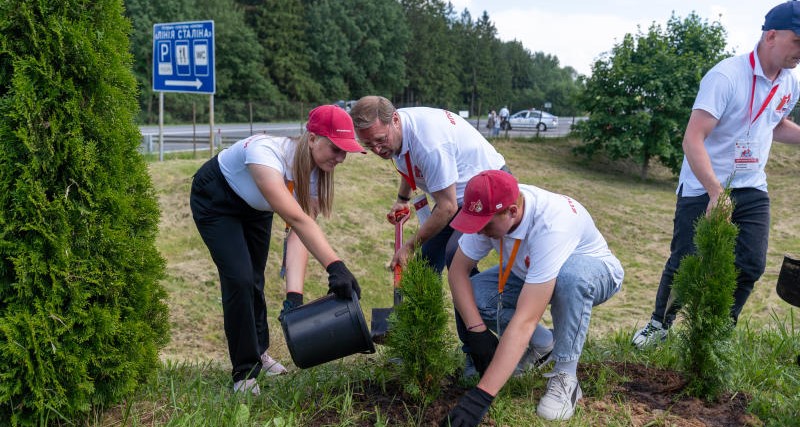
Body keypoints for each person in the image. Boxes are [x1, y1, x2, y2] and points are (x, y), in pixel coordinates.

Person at [632, 1, 800, 349]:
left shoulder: (789, 84)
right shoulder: (725, 76)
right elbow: (693, 138)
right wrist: (714, 192)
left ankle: (717, 330)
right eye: (798, 41)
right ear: (771, 36)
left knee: (751, 264)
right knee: (685, 260)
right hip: (703, 184)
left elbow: (774, 124)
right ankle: (658, 326)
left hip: (751, 185)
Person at [349, 96, 553, 377]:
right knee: (424, 266)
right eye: (368, 144)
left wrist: (409, 245)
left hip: (485, 194)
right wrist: (402, 198)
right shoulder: (396, 132)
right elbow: (408, 162)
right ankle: (418, 345)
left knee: (455, 257)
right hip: (456, 195)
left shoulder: (429, 142)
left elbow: (447, 207)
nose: (377, 148)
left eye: (380, 140)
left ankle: (477, 350)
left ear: (394, 120)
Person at [190, 105, 366, 395]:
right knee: (239, 279)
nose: (342, 158)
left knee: (255, 279)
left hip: (255, 206)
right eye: (336, 149)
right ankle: (244, 373)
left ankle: (259, 352)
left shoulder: (315, 174)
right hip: (216, 199)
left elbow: (300, 231)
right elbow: (298, 219)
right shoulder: (265, 155)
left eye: (345, 151)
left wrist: (293, 298)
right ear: (312, 139)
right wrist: (336, 266)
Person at [441, 170, 624, 424]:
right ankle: (542, 344)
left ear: (512, 212)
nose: (479, 232)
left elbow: (525, 319)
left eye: (485, 226)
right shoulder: (491, 207)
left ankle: (565, 376)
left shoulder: (551, 225)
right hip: (532, 270)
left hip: (594, 271)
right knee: (476, 294)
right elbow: (458, 272)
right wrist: (477, 331)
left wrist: (480, 398)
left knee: (569, 279)